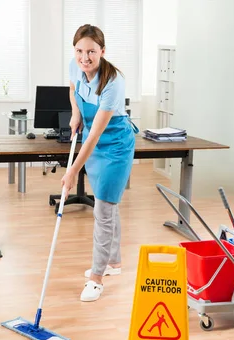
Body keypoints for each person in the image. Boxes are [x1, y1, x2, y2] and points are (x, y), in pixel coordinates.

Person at [61, 24, 138, 302]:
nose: (84, 58)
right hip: (94, 137)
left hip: (114, 143)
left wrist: (72, 171)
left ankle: (96, 278)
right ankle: (113, 263)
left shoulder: (114, 82)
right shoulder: (75, 65)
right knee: (108, 203)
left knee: (104, 208)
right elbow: (73, 89)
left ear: (102, 52)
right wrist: (75, 113)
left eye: (91, 51)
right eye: (80, 51)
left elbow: (93, 137)